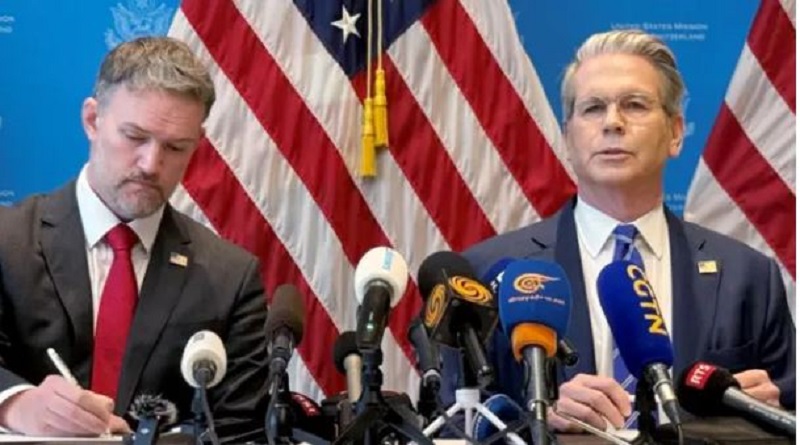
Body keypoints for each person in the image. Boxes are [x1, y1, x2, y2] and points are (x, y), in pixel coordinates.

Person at [442, 29, 795, 433]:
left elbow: (789, 411)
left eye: (635, 105)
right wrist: (541, 421)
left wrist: (764, 413)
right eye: (593, 108)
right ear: (567, 137)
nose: (612, 122)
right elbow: (452, 423)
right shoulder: (488, 273)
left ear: (675, 133)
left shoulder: (748, 276)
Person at [0, 36, 269, 439]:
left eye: (175, 147)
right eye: (135, 137)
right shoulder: (8, 241)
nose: (151, 164)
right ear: (92, 120)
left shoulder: (230, 278)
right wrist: (14, 403)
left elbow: (239, 426)